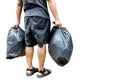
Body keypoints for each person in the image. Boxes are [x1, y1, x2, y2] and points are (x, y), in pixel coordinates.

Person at [14, 0, 62, 78]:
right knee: (41, 43)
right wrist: (57, 19)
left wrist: (17, 20)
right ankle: (41, 70)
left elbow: (19, 3)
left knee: (28, 43)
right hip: (41, 16)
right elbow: (50, 1)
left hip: (28, 17)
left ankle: (29, 69)